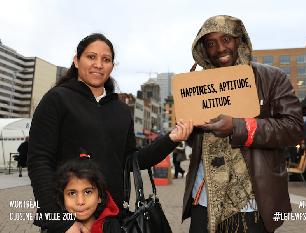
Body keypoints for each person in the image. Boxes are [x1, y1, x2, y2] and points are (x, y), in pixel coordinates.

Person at [27, 33, 193, 233]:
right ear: (76, 61)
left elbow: (132, 160)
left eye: (106, 60)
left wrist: (171, 139)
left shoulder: (121, 110)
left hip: (112, 220)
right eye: (91, 57)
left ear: (112, 66)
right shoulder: (56, 99)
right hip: (70, 218)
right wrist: (59, 220)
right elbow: (39, 161)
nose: (98, 64)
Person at [182, 15, 303, 233]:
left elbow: (293, 128)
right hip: (205, 199)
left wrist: (239, 127)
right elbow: (196, 143)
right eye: (211, 43)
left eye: (226, 39)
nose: (220, 48)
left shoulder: (272, 78)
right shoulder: (197, 86)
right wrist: (189, 128)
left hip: (252, 202)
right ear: (203, 49)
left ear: (240, 39)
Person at [55, 154, 121, 233]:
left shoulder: (111, 226)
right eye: (72, 193)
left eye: (88, 192)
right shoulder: (56, 228)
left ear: (99, 196)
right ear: (62, 198)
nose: (80, 202)